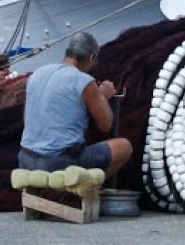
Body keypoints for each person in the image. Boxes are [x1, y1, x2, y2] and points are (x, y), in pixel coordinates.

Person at [18, 32, 132, 177]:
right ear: (91, 57)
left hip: (25, 159)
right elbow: (105, 125)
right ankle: (86, 191)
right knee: (124, 147)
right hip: (55, 163)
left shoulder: (37, 74)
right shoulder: (84, 81)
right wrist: (103, 95)